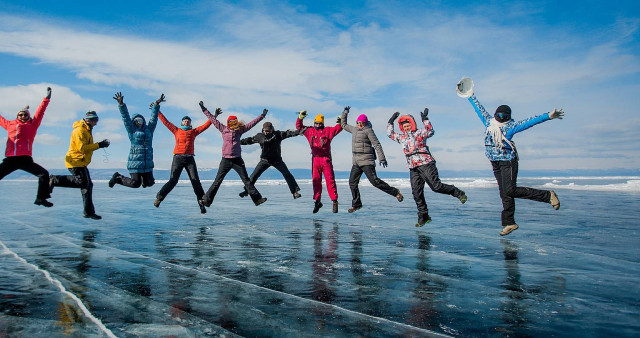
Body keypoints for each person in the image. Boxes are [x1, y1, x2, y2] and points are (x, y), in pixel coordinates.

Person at [465, 93, 563, 236]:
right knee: (503, 193)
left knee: (510, 190)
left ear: (509, 117)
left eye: (505, 116)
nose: (502, 118)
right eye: (500, 115)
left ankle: (547, 195)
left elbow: (531, 121)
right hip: (495, 162)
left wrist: (548, 116)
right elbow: (478, 108)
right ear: (495, 114)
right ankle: (509, 223)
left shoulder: (511, 126)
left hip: (508, 162)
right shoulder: (489, 122)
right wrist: (470, 95)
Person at [387, 108, 467, 227]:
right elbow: (390, 134)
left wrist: (425, 119)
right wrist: (390, 121)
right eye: (404, 126)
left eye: (408, 125)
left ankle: (458, 193)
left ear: (412, 124)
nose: (406, 128)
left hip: (426, 163)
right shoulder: (401, 138)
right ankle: (424, 217)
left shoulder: (419, 133)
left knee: (436, 186)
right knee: (416, 192)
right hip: (413, 167)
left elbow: (430, 131)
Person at [199, 101, 267, 208]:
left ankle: (257, 199)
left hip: (237, 160)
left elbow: (251, 124)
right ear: (228, 122)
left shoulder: (240, 130)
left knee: (246, 181)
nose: (232, 123)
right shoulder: (223, 129)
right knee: (217, 181)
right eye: (230, 121)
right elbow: (212, 119)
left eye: (234, 121)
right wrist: (204, 109)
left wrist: (262, 116)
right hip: (225, 160)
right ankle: (207, 200)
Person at [340, 106, 403, 213]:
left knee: (375, 182)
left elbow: (377, 144)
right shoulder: (354, 129)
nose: (359, 125)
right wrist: (345, 113)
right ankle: (357, 204)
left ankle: (395, 192)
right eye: (358, 123)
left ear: (365, 123)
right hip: (356, 162)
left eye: (361, 123)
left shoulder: (368, 131)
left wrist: (382, 158)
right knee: (352, 183)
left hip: (367, 161)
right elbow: (343, 125)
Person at [49, 111, 110, 219]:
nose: (95, 122)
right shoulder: (80, 130)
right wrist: (99, 145)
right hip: (75, 161)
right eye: (93, 120)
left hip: (81, 162)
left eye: (96, 120)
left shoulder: (87, 130)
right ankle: (54, 179)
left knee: (88, 185)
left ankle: (88, 212)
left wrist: (99, 145)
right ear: (88, 120)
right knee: (82, 183)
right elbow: (81, 148)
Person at [0, 87, 53, 207]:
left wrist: (47, 99)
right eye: (21, 115)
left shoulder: (33, 125)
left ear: (28, 116)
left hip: (25, 159)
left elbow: (40, 112)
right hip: (11, 159)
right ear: (17, 116)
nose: (23, 116)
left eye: (25, 115)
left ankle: (40, 198)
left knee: (44, 174)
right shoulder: (9, 124)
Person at [154, 110, 212, 213]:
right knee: (173, 180)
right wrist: (157, 111)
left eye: (188, 121)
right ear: (182, 123)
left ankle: (201, 202)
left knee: (195, 181)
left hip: (190, 159)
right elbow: (166, 122)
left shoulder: (193, 132)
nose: (186, 122)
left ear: (190, 123)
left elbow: (205, 126)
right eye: (185, 121)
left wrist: (213, 116)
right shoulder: (176, 130)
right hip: (178, 158)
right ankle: (159, 198)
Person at [108, 92, 162, 189]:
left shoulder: (149, 130)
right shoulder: (132, 131)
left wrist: (156, 105)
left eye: (140, 120)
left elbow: (153, 119)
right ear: (134, 122)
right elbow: (126, 118)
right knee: (135, 184)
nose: (139, 123)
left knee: (150, 183)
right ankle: (118, 178)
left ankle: (144, 181)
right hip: (135, 162)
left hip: (147, 162)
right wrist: (121, 105)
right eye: (136, 121)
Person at [238, 121, 303, 199]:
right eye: (265, 131)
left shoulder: (278, 134)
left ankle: (295, 192)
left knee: (287, 174)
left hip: (277, 160)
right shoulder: (259, 136)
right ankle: (246, 191)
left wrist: (298, 132)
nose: (267, 133)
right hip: (264, 160)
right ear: (263, 130)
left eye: (269, 131)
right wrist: (238, 142)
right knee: (254, 175)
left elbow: (288, 133)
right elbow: (249, 140)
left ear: (272, 130)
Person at [296, 108, 343, 213]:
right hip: (315, 159)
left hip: (326, 160)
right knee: (316, 181)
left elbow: (339, 128)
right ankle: (317, 201)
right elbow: (299, 127)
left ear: (322, 123)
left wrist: (341, 120)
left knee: (330, 180)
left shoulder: (328, 131)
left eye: (319, 123)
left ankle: (334, 201)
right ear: (314, 123)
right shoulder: (309, 131)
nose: (317, 125)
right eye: (316, 123)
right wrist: (300, 118)